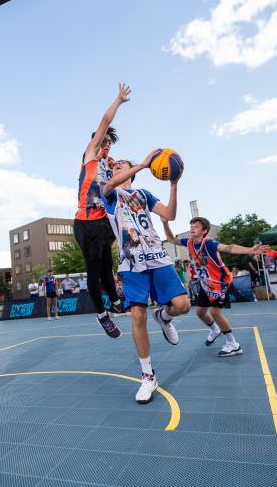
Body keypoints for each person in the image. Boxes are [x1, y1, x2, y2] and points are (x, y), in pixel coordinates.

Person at [101, 152, 191, 404]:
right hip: (131, 263)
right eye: (114, 166)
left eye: (121, 165)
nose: (116, 167)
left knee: (183, 305)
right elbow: (108, 184)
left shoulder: (144, 194)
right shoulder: (110, 194)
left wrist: (174, 183)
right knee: (137, 315)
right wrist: (142, 163)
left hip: (158, 257)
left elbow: (169, 215)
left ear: (131, 171)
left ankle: (163, 316)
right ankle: (148, 376)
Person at [74, 83, 131, 339]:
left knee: (108, 266)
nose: (106, 145)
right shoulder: (90, 155)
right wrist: (118, 101)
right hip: (85, 222)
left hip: (104, 222)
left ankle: (116, 300)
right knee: (94, 269)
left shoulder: (110, 164)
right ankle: (101, 314)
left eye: (109, 143)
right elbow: (105, 120)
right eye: (103, 140)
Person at [164, 217, 268, 357]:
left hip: (220, 283)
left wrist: (249, 249)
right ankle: (215, 329)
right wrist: (165, 223)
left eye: (196, 226)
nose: (192, 227)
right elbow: (171, 239)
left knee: (215, 313)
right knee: (200, 312)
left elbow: (228, 247)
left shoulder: (209, 243)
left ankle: (233, 344)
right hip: (206, 283)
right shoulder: (188, 242)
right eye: (191, 225)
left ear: (204, 231)